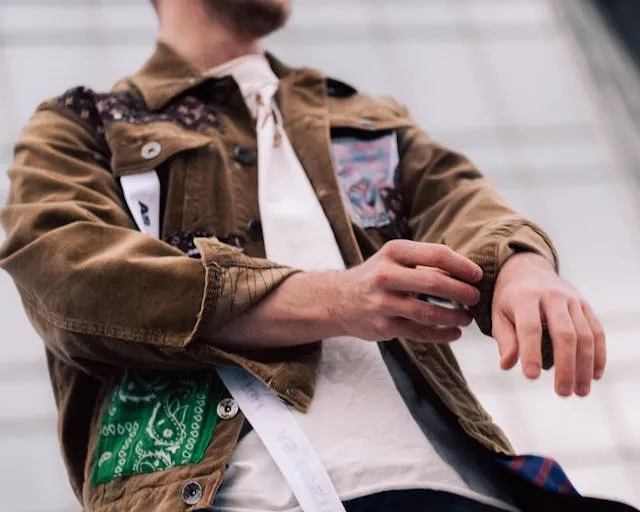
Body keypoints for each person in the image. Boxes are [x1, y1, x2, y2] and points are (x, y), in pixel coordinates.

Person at [0, 1, 636, 511]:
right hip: (233, 493)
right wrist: (339, 300)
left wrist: (522, 264)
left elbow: (463, 201)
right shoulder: (84, 123)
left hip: (451, 486)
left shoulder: (365, 118)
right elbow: (71, 277)